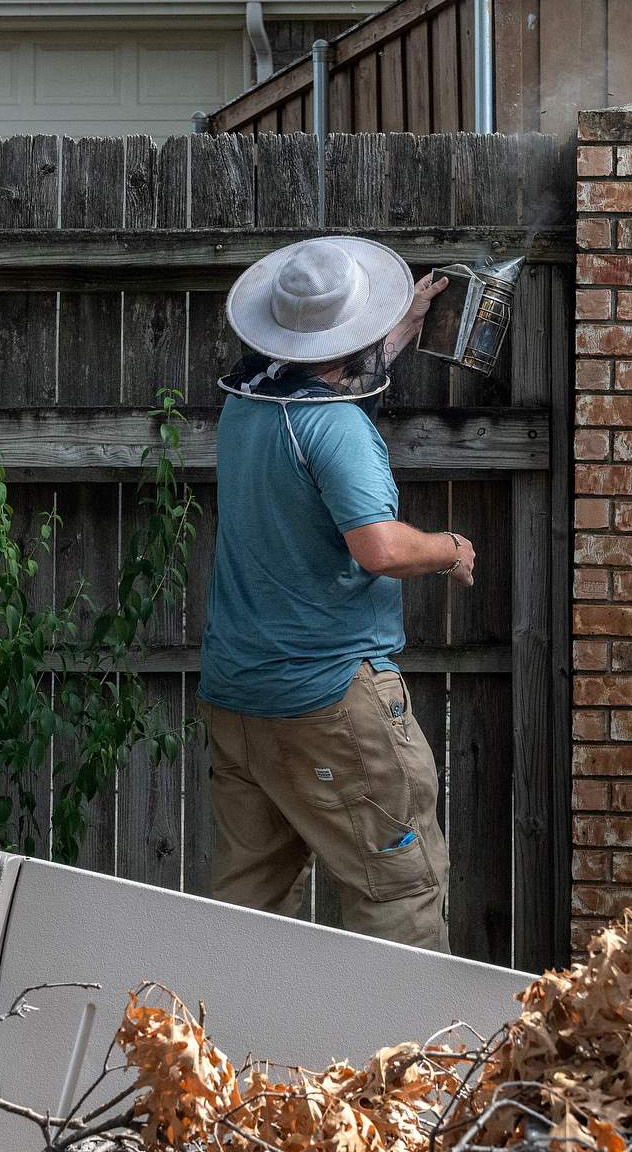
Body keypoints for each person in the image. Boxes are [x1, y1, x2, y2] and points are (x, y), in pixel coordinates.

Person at [198, 236, 475, 952]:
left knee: (245, 913)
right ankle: (410, 1065)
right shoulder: (337, 427)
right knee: (400, 893)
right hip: (330, 701)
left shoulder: (248, 406)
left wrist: (405, 324)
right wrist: (448, 550)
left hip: (240, 699)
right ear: (348, 339)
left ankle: (208, 1060)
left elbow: (326, 382)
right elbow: (379, 549)